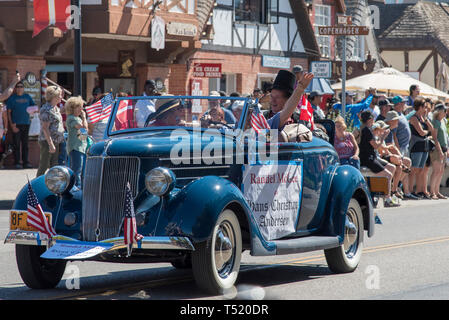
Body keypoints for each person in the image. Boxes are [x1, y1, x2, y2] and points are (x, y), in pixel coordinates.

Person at [358, 110, 399, 207]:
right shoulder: (366, 130)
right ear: (370, 119)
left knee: (392, 168)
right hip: (368, 159)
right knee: (388, 175)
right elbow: (376, 146)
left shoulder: (365, 129)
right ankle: (387, 199)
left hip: (372, 157)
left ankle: (384, 191)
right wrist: (383, 137)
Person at [6, 81, 36, 168]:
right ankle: (17, 163)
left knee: (25, 144)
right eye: (18, 87)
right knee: (16, 144)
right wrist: (11, 125)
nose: (19, 88)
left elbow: (33, 106)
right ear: (15, 89)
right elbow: (8, 112)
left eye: (21, 86)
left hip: (26, 123)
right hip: (16, 124)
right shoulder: (12, 98)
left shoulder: (27, 97)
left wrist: (35, 109)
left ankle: (26, 162)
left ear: (23, 88)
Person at [36, 86, 65, 177]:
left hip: (56, 141)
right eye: (59, 95)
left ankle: (52, 187)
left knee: (54, 166)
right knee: (44, 166)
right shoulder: (46, 109)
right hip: (47, 141)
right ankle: (36, 187)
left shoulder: (55, 108)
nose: (61, 97)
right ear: (54, 96)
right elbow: (45, 128)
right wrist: (50, 144)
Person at [408, 97, 433, 199]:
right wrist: (428, 134)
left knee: (420, 170)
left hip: (424, 146)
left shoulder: (423, 118)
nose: (426, 108)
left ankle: (418, 191)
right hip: (416, 146)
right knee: (413, 169)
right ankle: (410, 190)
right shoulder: (414, 118)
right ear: (420, 107)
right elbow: (421, 132)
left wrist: (426, 120)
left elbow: (431, 128)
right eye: (424, 106)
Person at [65, 96, 88, 188]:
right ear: (72, 108)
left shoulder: (77, 119)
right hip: (75, 147)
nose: (81, 109)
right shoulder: (72, 118)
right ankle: (75, 189)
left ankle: (80, 187)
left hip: (81, 147)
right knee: (76, 170)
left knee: (81, 170)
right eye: (79, 106)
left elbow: (83, 134)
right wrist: (84, 118)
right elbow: (84, 128)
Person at [429, 104, 449, 199]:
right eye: (444, 111)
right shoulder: (436, 122)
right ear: (439, 111)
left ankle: (437, 191)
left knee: (440, 171)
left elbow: (445, 136)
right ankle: (432, 192)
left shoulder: (443, 122)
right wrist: (440, 150)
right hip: (437, 149)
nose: (446, 113)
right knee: (436, 171)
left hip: (444, 148)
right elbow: (435, 137)